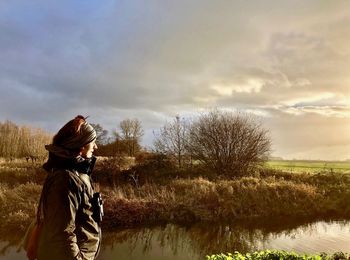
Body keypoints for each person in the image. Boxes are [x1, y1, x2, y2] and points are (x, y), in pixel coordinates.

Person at [37, 115, 102, 260]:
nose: (96, 146)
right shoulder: (65, 179)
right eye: (93, 142)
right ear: (81, 145)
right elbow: (62, 235)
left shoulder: (76, 172)